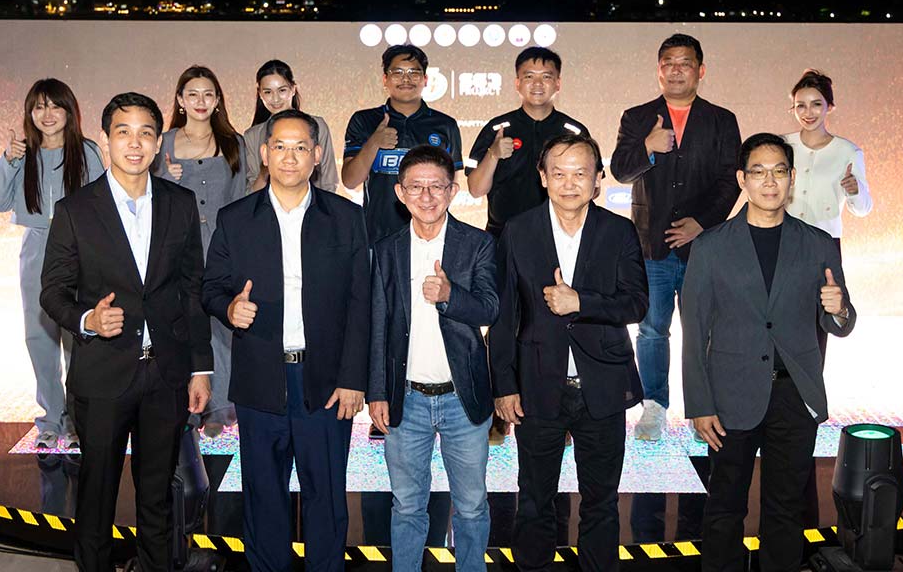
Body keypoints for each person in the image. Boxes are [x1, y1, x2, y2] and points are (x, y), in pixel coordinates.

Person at [39, 92, 213, 571]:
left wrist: (200, 367)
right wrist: (88, 321)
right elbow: (52, 292)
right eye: (123, 132)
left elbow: (192, 290)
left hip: (166, 376)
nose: (134, 144)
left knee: (158, 498)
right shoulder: (76, 210)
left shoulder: (180, 204)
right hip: (102, 376)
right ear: (105, 140)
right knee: (96, 500)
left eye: (145, 133)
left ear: (158, 143)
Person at [202, 109, 370, 572]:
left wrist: (354, 378)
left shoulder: (347, 218)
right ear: (264, 153)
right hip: (261, 380)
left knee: (326, 498)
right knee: (263, 498)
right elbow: (211, 287)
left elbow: (362, 305)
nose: (289, 157)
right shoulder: (235, 219)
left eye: (300, 147)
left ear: (316, 155)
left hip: (327, 384)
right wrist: (229, 309)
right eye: (280, 146)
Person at [681, 132, 856, 572]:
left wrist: (838, 310)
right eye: (758, 172)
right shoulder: (710, 246)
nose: (769, 181)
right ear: (742, 179)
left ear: (792, 178)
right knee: (724, 509)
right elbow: (693, 332)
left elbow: (842, 320)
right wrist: (699, 404)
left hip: (793, 396)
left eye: (779, 171)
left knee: (786, 511)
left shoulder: (817, 243)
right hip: (730, 397)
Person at [489, 134, 648, 572]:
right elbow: (504, 316)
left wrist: (581, 302)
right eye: (558, 173)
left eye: (581, 173)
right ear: (543, 177)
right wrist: (503, 385)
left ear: (598, 180)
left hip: (603, 386)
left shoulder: (618, 231)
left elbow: (637, 304)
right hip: (536, 386)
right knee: (534, 499)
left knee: (601, 501)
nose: (569, 183)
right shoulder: (518, 230)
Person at [366, 146, 498, 572]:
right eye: (416, 187)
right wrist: (376, 392)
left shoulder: (478, 244)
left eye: (436, 187)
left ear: (453, 191)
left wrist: (450, 296)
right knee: (407, 506)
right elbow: (377, 325)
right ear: (400, 193)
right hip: (405, 400)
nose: (426, 196)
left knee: (472, 505)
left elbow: (490, 309)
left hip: (463, 397)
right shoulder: (385, 250)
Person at [610, 33, 742, 442]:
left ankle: (705, 409)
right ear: (658, 70)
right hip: (651, 245)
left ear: (700, 70)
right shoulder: (637, 117)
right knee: (652, 329)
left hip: (705, 246)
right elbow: (620, 171)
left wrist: (701, 223)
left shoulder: (722, 120)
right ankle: (654, 406)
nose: (676, 70)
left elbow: (731, 181)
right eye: (668, 62)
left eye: (685, 63)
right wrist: (647, 147)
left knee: (707, 331)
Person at [0, 78, 104, 450]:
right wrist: (8, 160)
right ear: (30, 113)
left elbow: (103, 202)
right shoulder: (21, 154)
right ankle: (50, 419)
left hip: (78, 248)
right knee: (39, 337)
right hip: (37, 246)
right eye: (39, 107)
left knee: (77, 337)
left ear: (69, 111)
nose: (47, 114)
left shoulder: (86, 151)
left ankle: (77, 420)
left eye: (55, 106)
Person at [155, 65, 246, 437]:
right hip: (178, 247)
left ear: (218, 99)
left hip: (223, 246)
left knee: (222, 324)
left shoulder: (233, 142)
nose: (200, 101)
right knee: (184, 322)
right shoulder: (163, 142)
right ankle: (189, 406)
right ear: (180, 100)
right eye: (192, 94)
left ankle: (221, 406)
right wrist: (164, 178)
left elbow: (239, 198)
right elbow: (147, 196)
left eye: (208, 94)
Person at [342, 44, 463, 244]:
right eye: (397, 72)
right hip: (377, 237)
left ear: (425, 79)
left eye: (414, 73)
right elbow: (350, 180)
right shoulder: (364, 120)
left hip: (430, 237)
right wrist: (374, 142)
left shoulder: (445, 125)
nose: (406, 79)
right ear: (385, 79)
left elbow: (450, 186)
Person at [468, 47, 590, 237]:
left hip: (560, 236)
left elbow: (592, 189)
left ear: (558, 83)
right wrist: (493, 154)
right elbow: (475, 190)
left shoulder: (574, 132)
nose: (537, 84)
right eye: (529, 76)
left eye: (546, 77)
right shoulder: (496, 129)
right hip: (502, 235)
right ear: (517, 83)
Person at [783, 69, 872, 256]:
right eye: (800, 106)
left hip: (825, 244)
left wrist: (855, 190)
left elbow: (863, 209)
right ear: (793, 109)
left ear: (829, 106)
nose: (808, 112)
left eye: (816, 104)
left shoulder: (848, 151)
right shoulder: (782, 145)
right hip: (783, 241)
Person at [242, 59, 339, 193]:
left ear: (293, 89)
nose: (275, 99)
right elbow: (251, 192)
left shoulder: (318, 125)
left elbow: (328, 181)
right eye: (268, 92)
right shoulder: (252, 136)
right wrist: (265, 170)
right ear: (260, 94)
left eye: (282, 90)